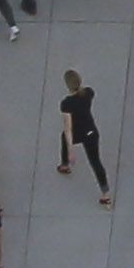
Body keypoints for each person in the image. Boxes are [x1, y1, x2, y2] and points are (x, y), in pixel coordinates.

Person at [53, 70, 102, 202]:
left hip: (78, 132)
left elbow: (68, 129)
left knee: (64, 137)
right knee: (96, 162)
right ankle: (106, 194)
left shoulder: (66, 104)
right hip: (91, 131)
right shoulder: (88, 93)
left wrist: (70, 151)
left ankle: (65, 164)